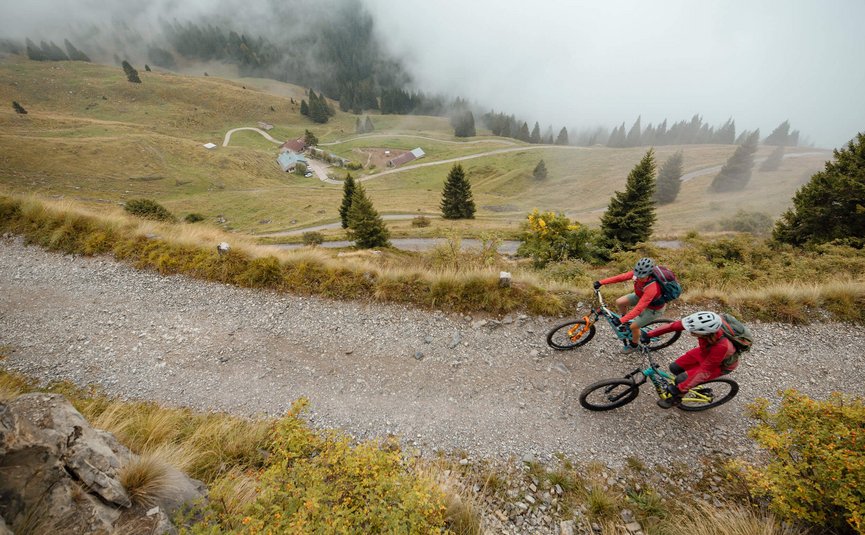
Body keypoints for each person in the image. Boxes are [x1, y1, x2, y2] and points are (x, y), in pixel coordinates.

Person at [642, 311, 740, 409]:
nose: (690, 332)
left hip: (719, 365)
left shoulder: (722, 346)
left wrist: (680, 388)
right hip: (704, 352)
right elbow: (673, 326)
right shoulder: (698, 324)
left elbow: (705, 371)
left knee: (681, 380)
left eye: (694, 331)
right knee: (674, 368)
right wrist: (650, 334)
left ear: (705, 333)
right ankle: (689, 384)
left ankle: (677, 398)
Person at [593, 257, 666, 353]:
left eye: (642, 276)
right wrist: (601, 282)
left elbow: (639, 308)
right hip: (640, 296)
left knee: (634, 327)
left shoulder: (652, 287)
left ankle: (634, 345)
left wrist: (621, 321)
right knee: (620, 302)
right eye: (638, 275)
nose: (639, 278)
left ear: (649, 274)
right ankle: (625, 321)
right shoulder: (638, 274)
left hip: (653, 309)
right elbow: (621, 277)